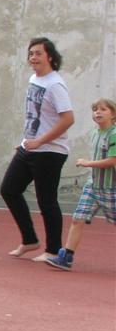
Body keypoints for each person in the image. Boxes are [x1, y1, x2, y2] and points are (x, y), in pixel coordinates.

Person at [0, 37, 74, 262]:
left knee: (46, 200)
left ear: (50, 56)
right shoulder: (34, 79)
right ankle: (30, 239)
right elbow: (37, 116)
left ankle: (53, 250)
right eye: (31, 53)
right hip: (30, 147)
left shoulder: (55, 85)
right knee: (9, 189)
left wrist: (40, 141)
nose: (33, 57)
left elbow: (68, 119)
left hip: (51, 151)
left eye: (38, 53)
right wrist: (28, 141)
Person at [46, 97, 116, 271]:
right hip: (93, 187)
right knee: (78, 219)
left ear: (113, 115)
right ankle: (66, 257)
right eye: (95, 109)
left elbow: (112, 160)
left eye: (103, 109)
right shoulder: (94, 133)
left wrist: (87, 163)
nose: (98, 112)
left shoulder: (114, 135)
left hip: (111, 188)